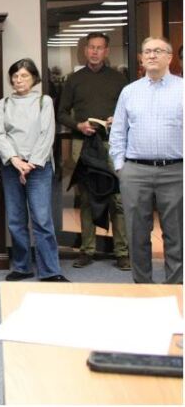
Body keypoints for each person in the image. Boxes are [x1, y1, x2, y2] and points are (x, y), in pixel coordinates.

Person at [109, 37, 183, 284]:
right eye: (147, 51)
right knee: (137, 234)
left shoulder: (182, 89)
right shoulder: (129, 92)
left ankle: (175, 290)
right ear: (141, 57)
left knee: (176, 235)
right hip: (135, 172)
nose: (152, 55)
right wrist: (120, 166)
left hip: (175, 172)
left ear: (169, 57)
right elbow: (118, 131)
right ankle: (143, 288)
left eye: (158, 51)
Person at [58, 32, 130, 270]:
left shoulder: (119, 80)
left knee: (117, 198)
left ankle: (122, 251)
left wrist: (115, 120)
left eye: (100, 48)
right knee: (86, 197)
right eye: (91, 47)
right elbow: (61, 113)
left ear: (106, 51)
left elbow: (129, 112)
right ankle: (87, 250)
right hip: (83, 142)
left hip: (112, 142)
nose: (95, 51)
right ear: (85, 50)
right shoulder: (74, 79)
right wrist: (78, 125)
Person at [0, 58, 68, 283]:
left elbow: (47, 134)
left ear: (34, 78)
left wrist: (31, 163)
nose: (19, 80)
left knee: (42, 220)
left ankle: (50, 270)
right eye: (15, 76)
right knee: (16, 220)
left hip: (39, 167)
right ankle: (22, 266)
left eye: (24, 75)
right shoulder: (3, 104)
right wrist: (15, 160)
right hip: (11, 167)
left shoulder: (44, 102)